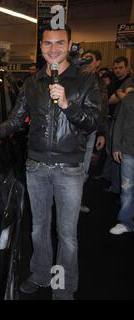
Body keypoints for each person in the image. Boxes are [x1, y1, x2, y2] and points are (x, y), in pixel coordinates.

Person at [0, 25, 100, 300]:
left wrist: (67, 103)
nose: (53, 48)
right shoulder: (32, 83)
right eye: (48, 43)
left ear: (69, 45)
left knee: (66, 235)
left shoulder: (86, 81)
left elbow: (94, 122)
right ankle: (42, 274)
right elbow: (16, 120)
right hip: (36, 167)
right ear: (41, 47)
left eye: (59, 43)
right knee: (38, 228)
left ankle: (63, 287)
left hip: (69, 169)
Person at [80, 50, 109, 213]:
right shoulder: (74, 77)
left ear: (98, 62)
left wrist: (102, 133)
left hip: (90, 132)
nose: (86, 61)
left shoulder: (100, 83)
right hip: (72, 131)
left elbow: (103, 109)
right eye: (84, 58)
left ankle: (75, 202)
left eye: (90, 59)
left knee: (84, 171)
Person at [103, 57, 132, 194]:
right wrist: (124, 94)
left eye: (120, 67)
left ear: (127, 67)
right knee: (113, 153)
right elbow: (110, 99)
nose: (117, 70)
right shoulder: (115, 81)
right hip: (114, 121)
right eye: (115, 68)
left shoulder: (130, 80)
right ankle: (115, 187)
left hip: (127, 123)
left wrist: (122, 95)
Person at [110, 83, 134, 235]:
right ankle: (126, 221)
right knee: (127, 188)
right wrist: (116, 146)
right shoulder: (129, 98)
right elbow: (118, 124)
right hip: (128, 150)